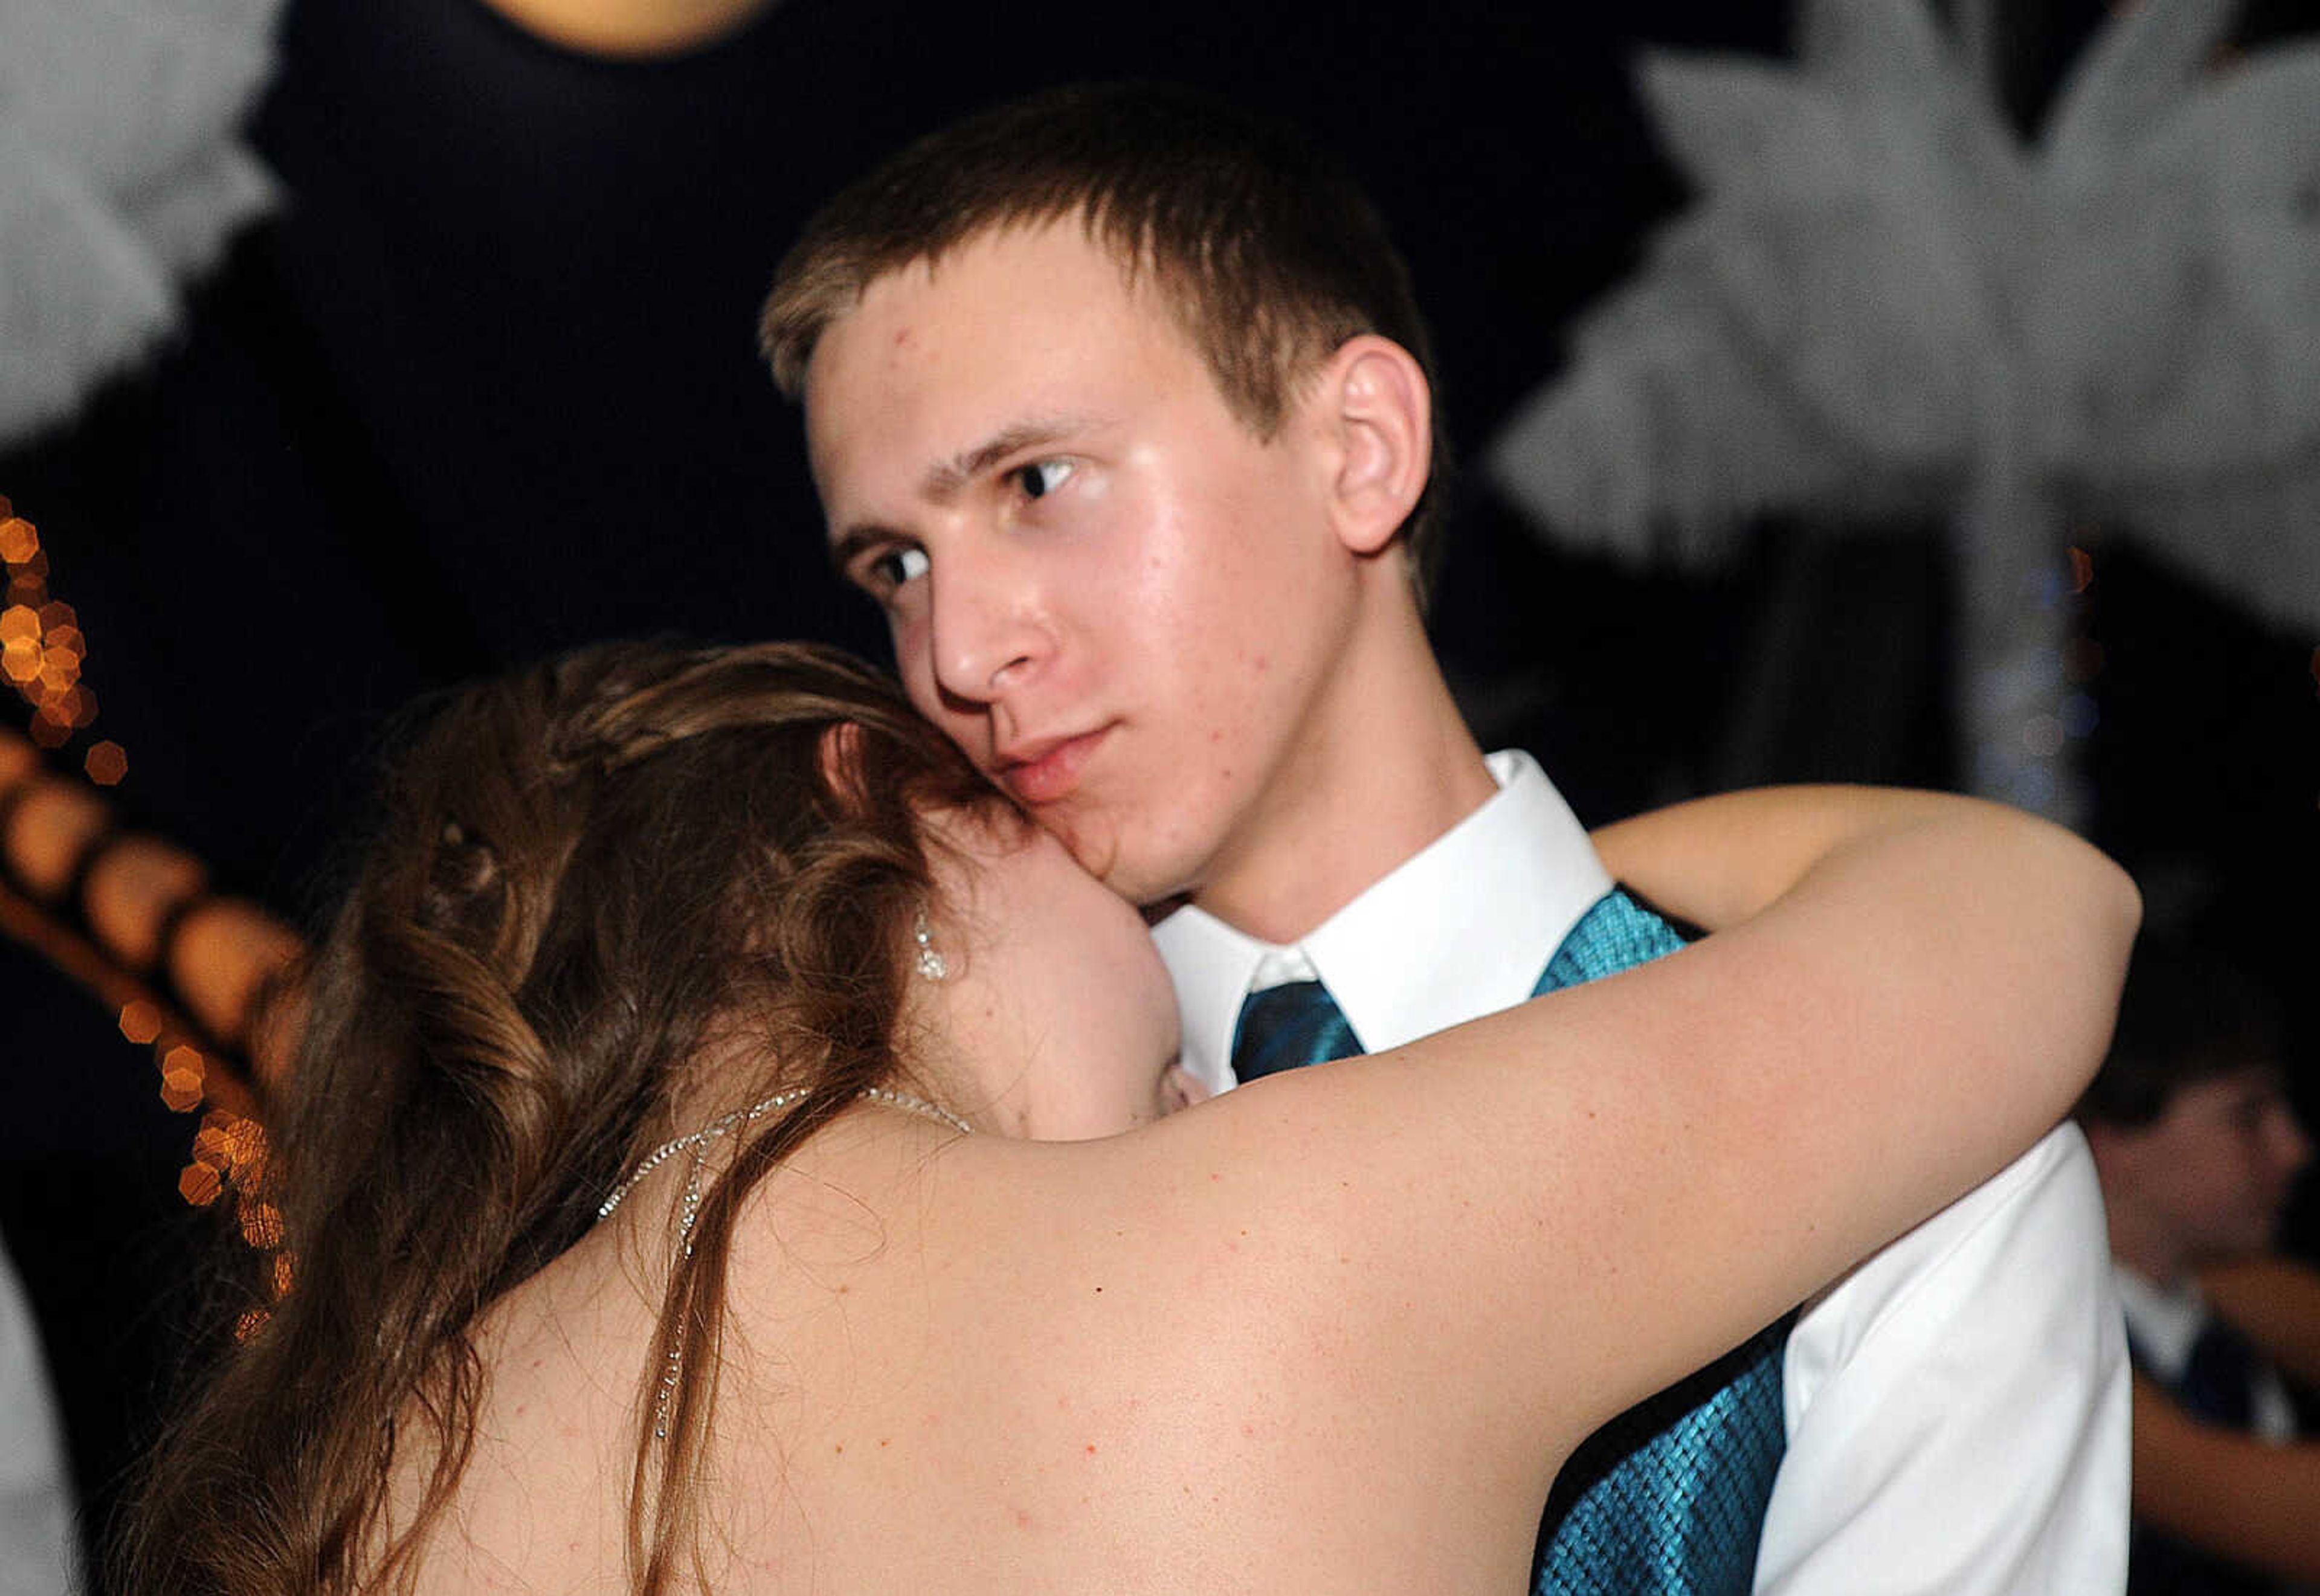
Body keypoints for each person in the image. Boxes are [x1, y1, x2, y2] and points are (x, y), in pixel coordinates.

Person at [762, 82, 2132, 1592]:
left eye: (1034, 483)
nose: (955, 651)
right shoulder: (921, 1178)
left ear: (1359, 448)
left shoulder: (1919, 1130)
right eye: (894, 563)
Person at [113, 638, 2137, 1593]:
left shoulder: (363, 1484)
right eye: (1068, 855)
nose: (1183, 999)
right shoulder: (1250, 1243)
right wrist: (1586, 854)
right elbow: (2033, 914)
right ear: (901, 819)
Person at [2080, 941, 2320, 1594]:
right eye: (2248, 1115)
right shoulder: (2065, 1341)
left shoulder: (2223, 1338)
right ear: (2113, 1143)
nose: (2294, 1149)